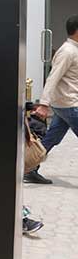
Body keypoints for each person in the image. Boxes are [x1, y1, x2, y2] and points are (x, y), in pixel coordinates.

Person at [29, 14, 78, 184]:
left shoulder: (73, 50)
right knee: (52, 138)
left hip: (64, 104)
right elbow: (53, 77)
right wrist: (44, 104)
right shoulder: (68, 51)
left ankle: (30, 169)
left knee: (51, 138)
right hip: (69, 105)